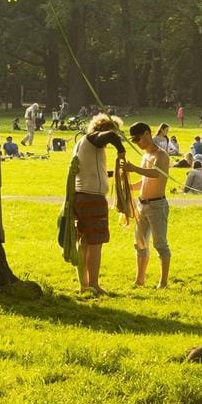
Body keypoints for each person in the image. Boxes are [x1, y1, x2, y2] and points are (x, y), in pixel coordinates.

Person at [71, 115, 127, 296]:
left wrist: (113, 173)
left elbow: (92, 170)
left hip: (80, 197)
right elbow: (111, 136)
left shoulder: (82, 143)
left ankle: (84, 284)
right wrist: (121, 151)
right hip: (93, 198)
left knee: (84, 242)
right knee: (95, 242)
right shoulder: (94, 139)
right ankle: (94, 284)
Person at [126, 122, 172, 288]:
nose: (137, 143)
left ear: (146, 134)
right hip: (142, 205)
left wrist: (134, 168)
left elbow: (156, 175)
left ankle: (163, 282)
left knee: (160, 244)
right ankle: (139, 279)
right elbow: (144, 180)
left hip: (157, 205)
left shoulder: (161, 156)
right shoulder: (145, 156)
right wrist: (128, 186)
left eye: (138, 139)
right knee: (139, 243)